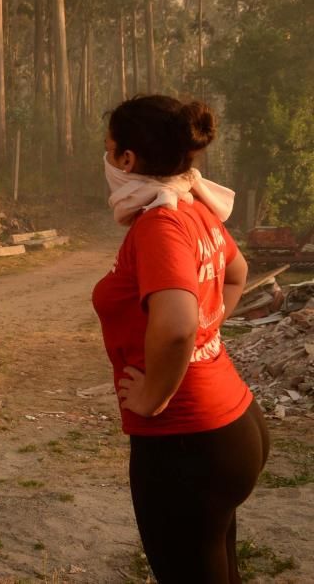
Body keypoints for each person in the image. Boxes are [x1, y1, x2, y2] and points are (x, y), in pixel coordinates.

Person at [92, 95, 270, 583]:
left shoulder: (161, 224)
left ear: (127, 159)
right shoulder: (194, 206)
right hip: (231, 425)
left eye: (109, 151)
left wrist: (154, 393)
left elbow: (175, 327)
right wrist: (206, 328)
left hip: (186, 441)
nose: (106, 162)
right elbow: (236, 272)